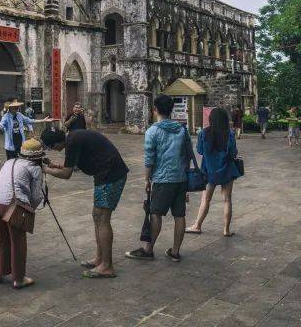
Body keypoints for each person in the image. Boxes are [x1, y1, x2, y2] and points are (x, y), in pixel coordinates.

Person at [41, 125, 128, 278]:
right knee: (97, 216)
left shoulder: (72, 141)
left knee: (102, 219)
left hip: (111, 175)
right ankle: (100, 259)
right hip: (105, 174)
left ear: (56, 144)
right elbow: (73, 165)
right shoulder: (73, 138)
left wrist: (45, 170)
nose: (53, 150)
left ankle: (107, 266)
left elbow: (67, 174)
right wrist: (55, 165)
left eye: (51, 148)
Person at [126, 94, 189, 263]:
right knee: (179, 215)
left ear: (155, 110)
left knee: (155, 213)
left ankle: (148, 249)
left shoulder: (152, 131)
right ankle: (175, 252)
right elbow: (187, 155)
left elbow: (149, 160)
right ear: (172, 110)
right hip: (181, 178)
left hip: (162, 179)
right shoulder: (182, 130)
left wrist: (147, 180)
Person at [0, 138, 46, 290]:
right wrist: (28, 209)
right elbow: (37, 196)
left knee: (3, 238)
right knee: (17, 241)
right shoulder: (35, 168)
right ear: (38, 157)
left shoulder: (9, 162)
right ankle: (18, 279)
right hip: (12, 204)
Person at [186, 107, 240, 237]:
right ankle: (226, 230)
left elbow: (199, 151)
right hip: (227, 170)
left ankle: (197, 225)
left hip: (209, 171)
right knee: (227, 200)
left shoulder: (204, 133)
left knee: (206, 199)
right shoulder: (230, 134)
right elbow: (233, 152)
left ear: (211, 119)